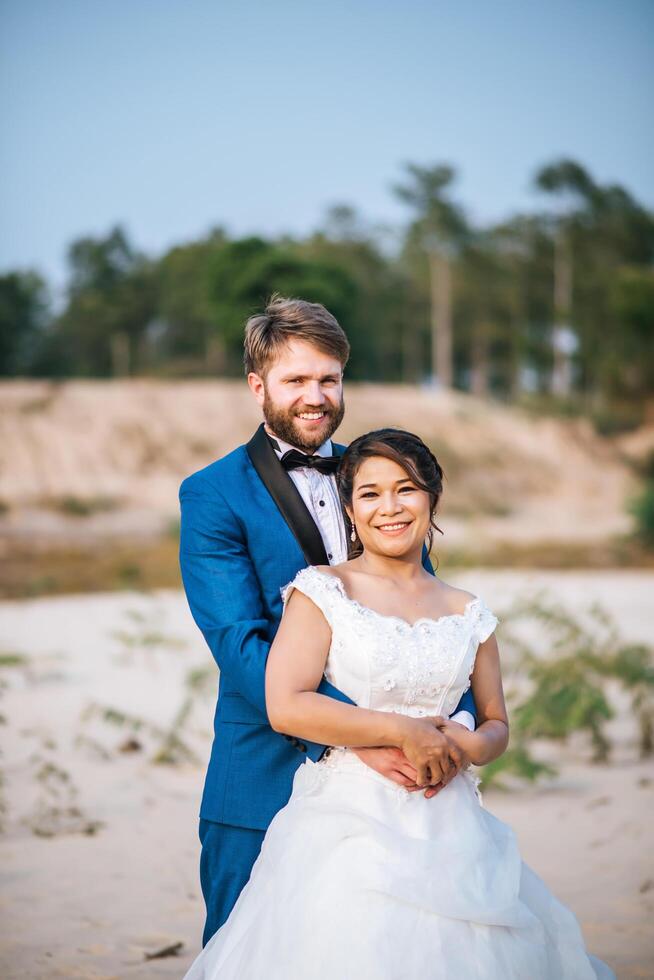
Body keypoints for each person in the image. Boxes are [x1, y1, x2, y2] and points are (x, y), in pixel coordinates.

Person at [183, 428, 614, 980]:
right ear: (350, 508)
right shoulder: (320, 591)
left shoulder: (468, 610)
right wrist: (399, 732)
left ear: (432, 496)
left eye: (406, 489)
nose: (390, 507)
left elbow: (496, 722)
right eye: (370, 494)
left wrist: (471, 745)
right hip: (346, 827)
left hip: (453, 828)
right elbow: (286, 704)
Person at [179, 297, 476, 946]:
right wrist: (368, 737)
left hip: (400, 791)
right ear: (258, 386)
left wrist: (458, 727)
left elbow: (422, 614)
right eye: (295, 380)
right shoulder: (212, 493)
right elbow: (241, 643)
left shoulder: (380, 482)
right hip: (265, 771)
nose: (315, 396)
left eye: (329, 379)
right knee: (244, 951)